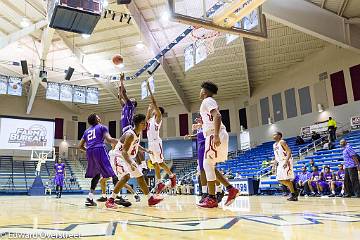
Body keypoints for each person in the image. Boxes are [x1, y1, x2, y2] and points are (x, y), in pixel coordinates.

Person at [105, 114, 164, 208]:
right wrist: (131, 163)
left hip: (127, 157)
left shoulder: (137, 133)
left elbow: (135, 145)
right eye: (144, 123)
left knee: (140, 177)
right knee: (126, 176)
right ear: (139, 124)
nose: (146, 125)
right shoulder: (130, 135)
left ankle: (150, 199)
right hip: (118, 157)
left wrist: (145, 150)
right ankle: (110, 200)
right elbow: (124, 152)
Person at [197, 81, 239, 208]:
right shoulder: (209, 102)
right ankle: (230, 189)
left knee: (206, 165)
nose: (199, 92)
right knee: (210, 165)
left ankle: (212, 198)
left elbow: (218, 116)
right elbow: (212, 117)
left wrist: (215, 135)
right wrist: (201, 125)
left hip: (215, 134)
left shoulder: (207, 100)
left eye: (200, 90)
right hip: (215, 133)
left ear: (204, 91)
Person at [78, 113, 119, 207]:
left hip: (89, 152)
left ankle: (90, 198)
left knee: (96, 175)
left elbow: (79, 146)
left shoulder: (86, 131)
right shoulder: (102, 127)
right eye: (97, 116)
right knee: (113, 173)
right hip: (99, 150)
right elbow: (109, 139)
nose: (99, 117)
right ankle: (115, 198)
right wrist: (120, 142)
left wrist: (88, 150)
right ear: (96, 119)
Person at [145, 81, 176, 193]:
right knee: (154, 164)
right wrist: (148, 109)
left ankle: (172, 176)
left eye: (154, 109)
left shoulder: (158, 118)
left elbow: (154, 102)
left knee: (161, 163)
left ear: (158, 112)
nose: (153, 109)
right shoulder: (151, 120)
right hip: (150, 143)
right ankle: (159, 183)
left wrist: (149, 89)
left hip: (156, 142)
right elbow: (146, 121)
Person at [272, 132, 298, 201]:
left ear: (279, 136)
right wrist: (274, 166)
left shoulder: (282, 142)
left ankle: (293, 194)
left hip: (286, 160)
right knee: (280, 179)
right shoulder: (274, 145)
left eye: (275, 134)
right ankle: (295, 190)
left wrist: (286, 161)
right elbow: (276, 156)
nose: (273, 136)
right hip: (280, 162)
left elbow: (289, 151)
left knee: (287, 179)